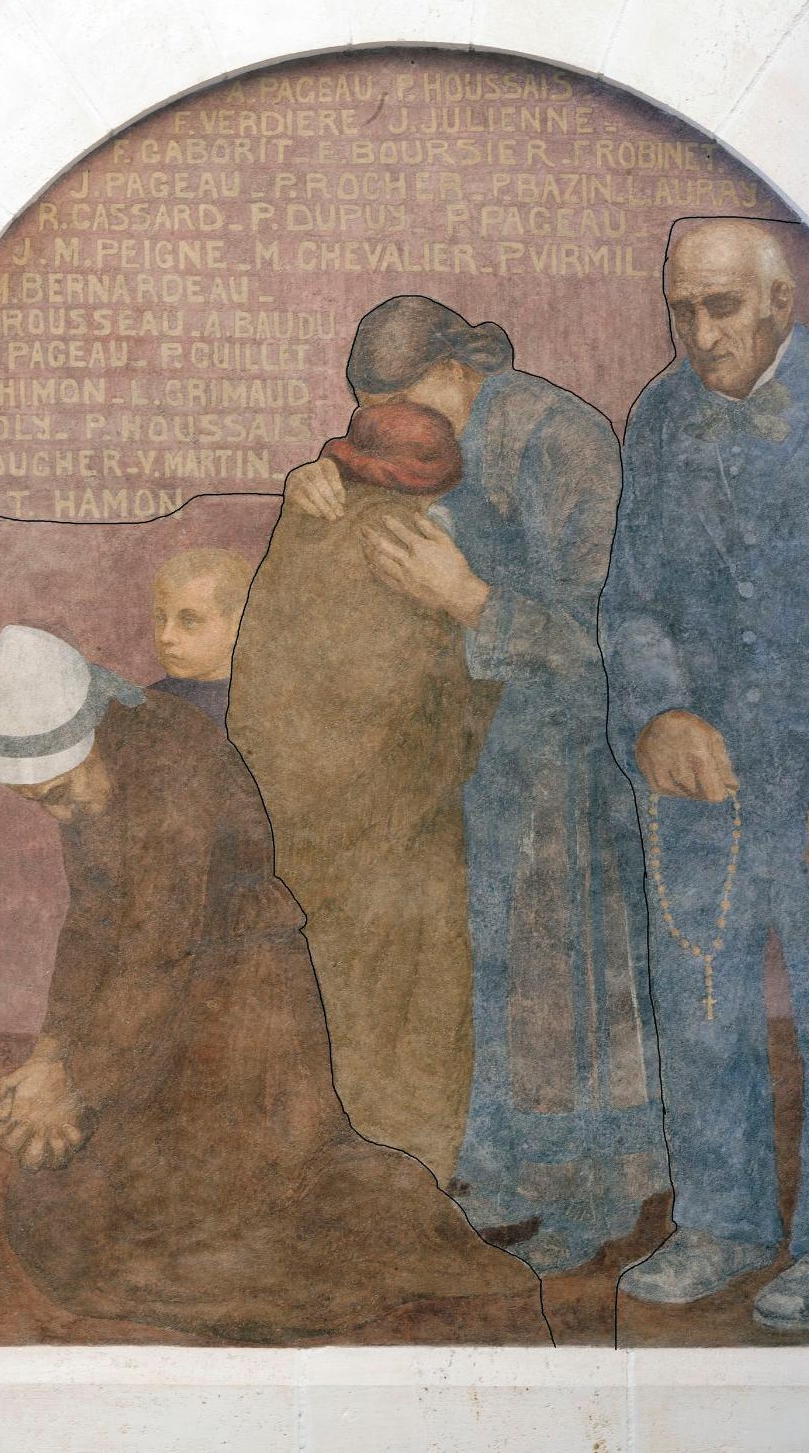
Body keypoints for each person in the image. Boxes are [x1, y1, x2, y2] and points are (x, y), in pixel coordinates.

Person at [0, 624, 550, 1344]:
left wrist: (74, 1083)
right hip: (158, 999)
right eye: (41, 804)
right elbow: (94, 921)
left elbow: (159, 944)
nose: (61, 815)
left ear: (91, 735)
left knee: (219, 1226)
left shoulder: (170, 755)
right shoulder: (95, 772)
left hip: (242, 1001)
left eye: (61, 794)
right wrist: (50, 1049)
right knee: (61, 1211)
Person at [603, 219, 809, 1331]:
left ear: (780, 306)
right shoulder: (657, 416)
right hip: (702, 775)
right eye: (680, 309)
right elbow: (633, 601)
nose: (698, 335)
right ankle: (723, 1221)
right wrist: (656, 713)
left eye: (722, 309)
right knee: (701, 1006)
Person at [286, 295, 665, 1272]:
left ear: (458, 371)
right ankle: (499, 1166)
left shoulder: (561, 441)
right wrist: (315, 484)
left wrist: (465, 599)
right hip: (488, 750)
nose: (400, 429)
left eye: (406, 403)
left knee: (568, 975)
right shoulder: (439, 437)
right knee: (493, 962)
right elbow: (384, 487)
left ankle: (597, 1191)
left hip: (581, 758)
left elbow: (607, 640)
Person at [228, 400, 496, 1185]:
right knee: (410, 1006)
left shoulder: (305, 525)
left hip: (298, 816)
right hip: (391, 822)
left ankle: (337, 1180)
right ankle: (410, 1183)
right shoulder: (404, 542)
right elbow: (428, 695)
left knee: (329, 1005)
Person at [149, 546, 253, 730]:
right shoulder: (141, 707)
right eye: (160, 617)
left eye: (189, 620)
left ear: (237, 625)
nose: (166, 636)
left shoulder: (263, 711)